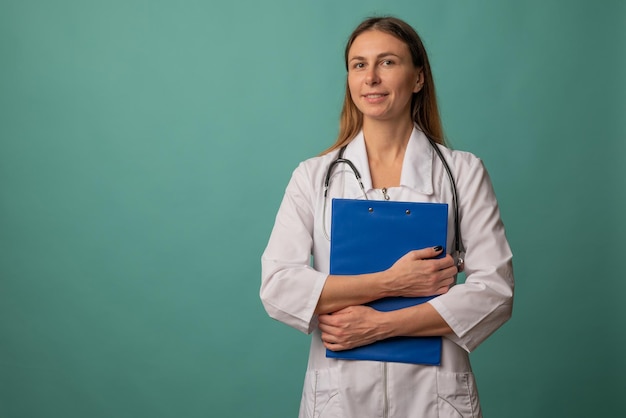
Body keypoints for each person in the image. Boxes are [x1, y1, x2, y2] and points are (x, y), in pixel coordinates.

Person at [260, 16, 514, 418]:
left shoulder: (462, 172)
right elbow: (278, 287)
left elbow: (495, 292)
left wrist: (382, 326)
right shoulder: (312, 177)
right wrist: (391, 282)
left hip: (434, 396)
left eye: (388, 62)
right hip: (340, 395)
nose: (371, 78)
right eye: (359, 65)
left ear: (418, 78)